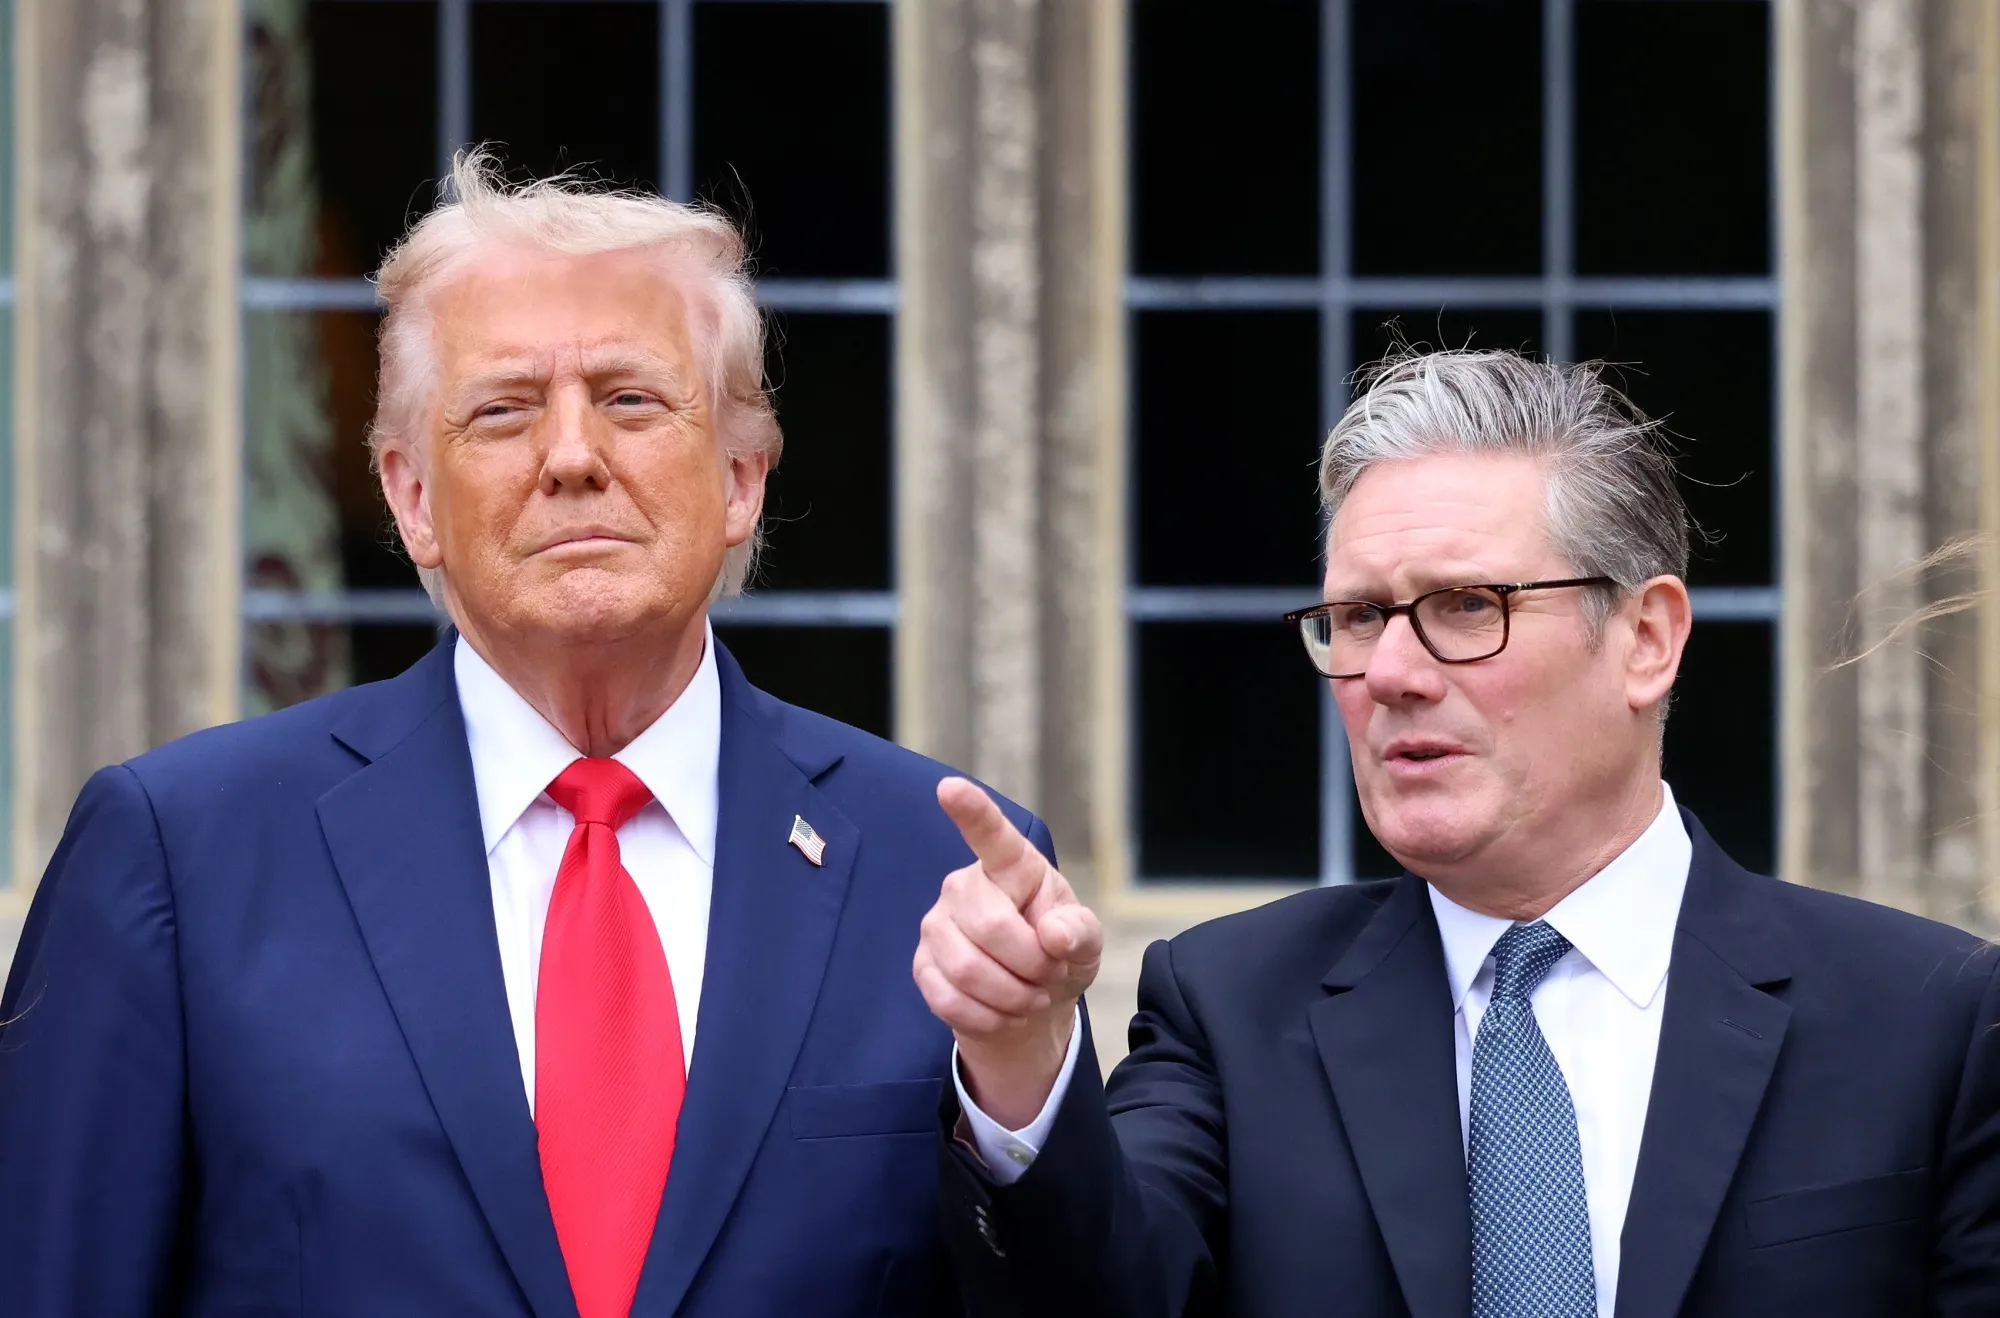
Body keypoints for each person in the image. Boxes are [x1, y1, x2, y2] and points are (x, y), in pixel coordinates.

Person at [0, 151, 1047, 1317]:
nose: (569, 457)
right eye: (501, 411)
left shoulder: (942, 863)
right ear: (408, 499)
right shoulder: (182, 856)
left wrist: (1023, 1098)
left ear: (742, 476)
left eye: (630, 399)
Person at [916, 349, 2000, 1317]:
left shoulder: (1926, 1020)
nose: (1388, 673)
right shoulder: (1229, 1006)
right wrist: (1019, 1056)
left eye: (1464, 606)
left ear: (1645, 638)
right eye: (1354, 617)